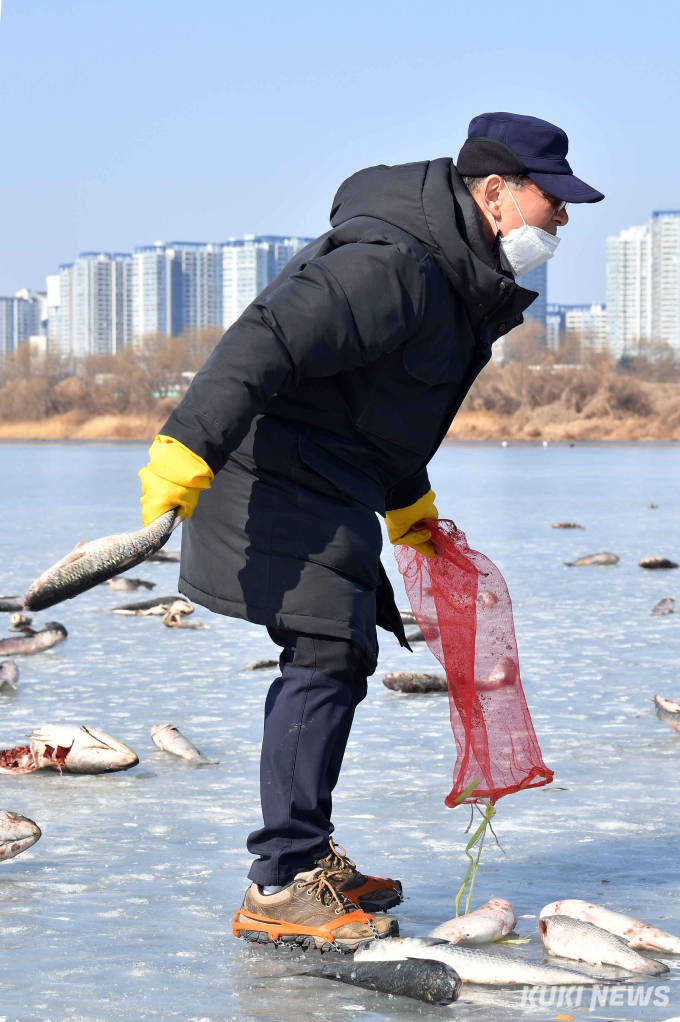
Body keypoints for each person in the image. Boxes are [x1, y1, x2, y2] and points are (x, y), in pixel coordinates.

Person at [139, 112, 603, 953]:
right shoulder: (396, 263)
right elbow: (268, 335)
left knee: (341, 649)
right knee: (324, 650)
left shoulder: (457, 281)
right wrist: (184, 443)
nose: (563, 219)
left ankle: (305, 855)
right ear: (494, 194)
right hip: (267, 468)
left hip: (330, 473)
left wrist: (408, 504)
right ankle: (281, 884)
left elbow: (374, 411)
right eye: (553, 200)